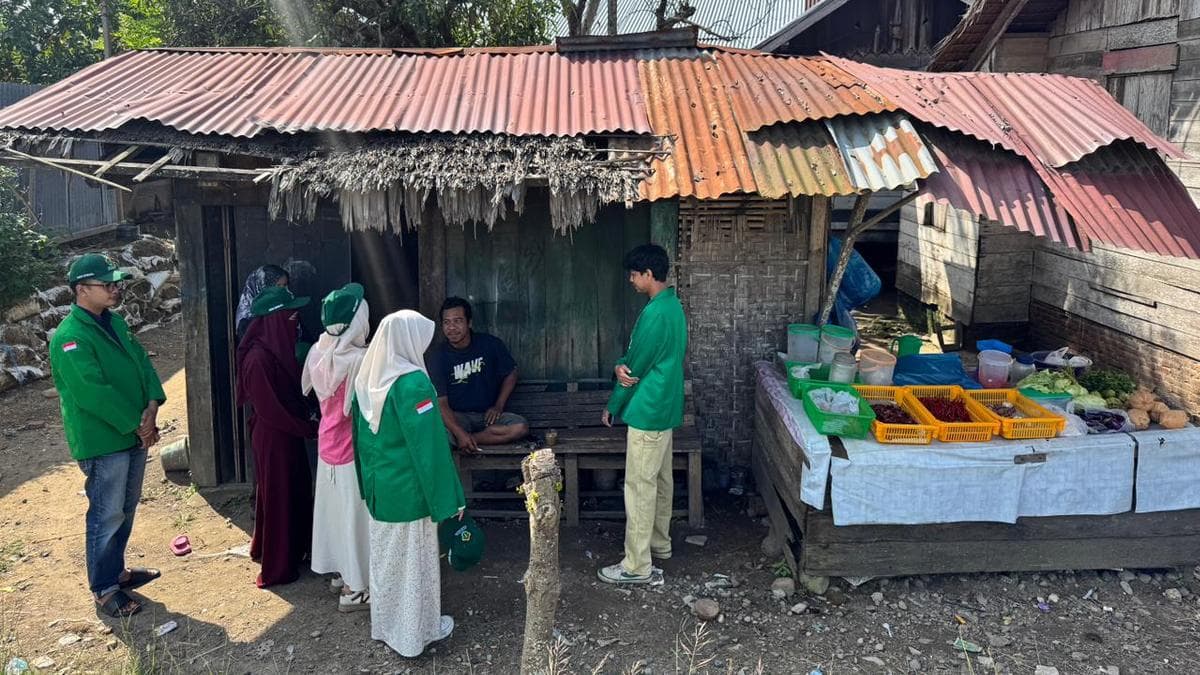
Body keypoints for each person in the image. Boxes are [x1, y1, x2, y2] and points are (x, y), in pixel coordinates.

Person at [49, 253, 166, 618]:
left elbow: (142, 363)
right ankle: (104, 588)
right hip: (104, 440)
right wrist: (137, 423)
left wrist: (152, 404)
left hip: (132, 433)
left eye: (116, 284)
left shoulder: (113, 322)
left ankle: (116, 572)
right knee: (106, 513)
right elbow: (92, 392)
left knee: (125, 509)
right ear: (81, 290)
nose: (116, 290)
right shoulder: (70, 337)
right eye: (107, 284)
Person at [353, 309, 465, 658]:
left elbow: (359, 443)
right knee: (415, 564)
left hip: (381, 490)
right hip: (411, 493)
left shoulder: (367, 381)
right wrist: (450, 498)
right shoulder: (413, 384)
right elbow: (429, 450)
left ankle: (387, 627)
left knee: (387, 563)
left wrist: (366, 487)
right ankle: (416, 635)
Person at [597, 244, 688, 585]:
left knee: (639, 486)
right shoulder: (673, 307)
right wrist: (625, 363)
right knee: (661, 481)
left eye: (634, 275)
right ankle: (659, 543)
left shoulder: (655, 313)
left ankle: (636, 565)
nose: (631, 280)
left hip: (648, 409)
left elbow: (634, 369)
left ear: (649, 274)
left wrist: (613, 404)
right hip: (665, 407)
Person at [236, 285, 318, 588]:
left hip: (287, 434)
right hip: (273, 437)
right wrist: (308, 428)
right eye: (290, 316)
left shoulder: (276, 351)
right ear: (274, 321)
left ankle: (291, 550)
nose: (295, 322)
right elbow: (270, 410)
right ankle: (279, 566)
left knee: (292, 490)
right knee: (279, 496)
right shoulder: (258, 359)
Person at [301, 283, 372, 612]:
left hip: (327, 445)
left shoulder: (319, 351)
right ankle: (355, 589)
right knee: (355, 518)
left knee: (336, 515)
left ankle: (342, 572)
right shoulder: (358, 359)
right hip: (352, 451)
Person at [426, 297, 528, 452]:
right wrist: (459, 432)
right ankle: (465, 438)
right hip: (458, 417)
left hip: (487, 416)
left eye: (458, 321)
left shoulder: (489, 345)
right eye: (447, 322)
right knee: (438, 437)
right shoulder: (437, 357)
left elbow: (511, 373)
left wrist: (498, 406)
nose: (452, 327)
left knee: (520, 427)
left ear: (469, 323)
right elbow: (441, 404)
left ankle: (471, 440)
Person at [234, 264, 289, 339]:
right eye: (278, 285)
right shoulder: (247, 321)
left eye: (285, 285)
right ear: (262, 287)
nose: (282, 290)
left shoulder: (287, 307)